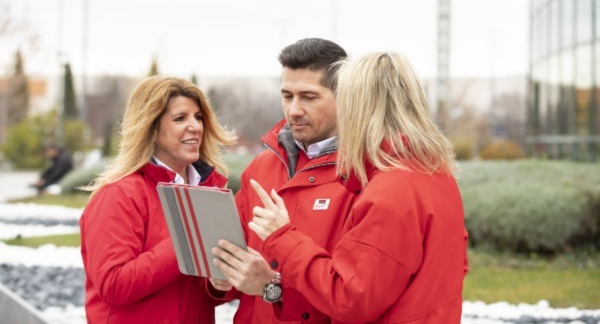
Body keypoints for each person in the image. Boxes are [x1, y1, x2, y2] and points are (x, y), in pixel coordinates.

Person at [249, 52, 469, 323]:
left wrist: (283, 238)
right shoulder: (435, 174)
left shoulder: (391, 191)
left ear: (361, 109)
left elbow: (350, 298)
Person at [212, 38, 358, 323]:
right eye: (287, 96)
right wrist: (220, 280)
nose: (294, 110)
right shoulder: (260, 169)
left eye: (308, 96)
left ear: (344, 96)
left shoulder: (362, 176)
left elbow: (353, 295)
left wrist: (272, 287)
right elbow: (237, 263)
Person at [79, 75, 236, 323]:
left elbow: (201, 292)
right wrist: (187, 238)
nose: (195, 126)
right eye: (179, 118)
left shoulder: (209, 191)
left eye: (198, 117)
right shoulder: (119, 195)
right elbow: (113, 286)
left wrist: (219, 284)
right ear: (151, 130)